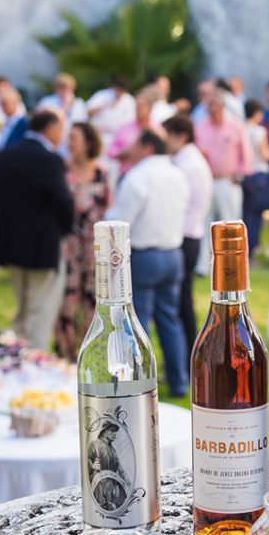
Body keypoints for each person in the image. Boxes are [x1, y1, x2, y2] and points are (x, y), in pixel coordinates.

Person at [105, 130, 190, 397]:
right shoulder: (178, 174)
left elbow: (120, 220)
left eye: (136, 144)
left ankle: (142, 381)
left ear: (147, 147)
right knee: (169, 318)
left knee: (137, 322)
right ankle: (179, 381)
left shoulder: (138, 177)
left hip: (145, 255)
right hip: (172, 253)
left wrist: (105, 215)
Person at [0, 110, 75, 349]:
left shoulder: (5, 154)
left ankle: (18, 353)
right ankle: (33, 358)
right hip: (42, 244)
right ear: (50, 128)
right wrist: (65, 229)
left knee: (23, 306)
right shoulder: (49, 159)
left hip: (11, 242)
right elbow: (64, 200)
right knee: (40, 309)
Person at [54, 122, 112, 359]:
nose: (69, 143)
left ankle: (89, 355)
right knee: (66, 300)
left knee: (93, 299)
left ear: (87, 143)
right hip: (68, 244)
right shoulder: (61, 170)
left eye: (74, 138)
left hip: (94, 246)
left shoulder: (101, 172)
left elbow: (108, 205)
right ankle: (65, 354)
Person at [162, 114, 212, 360]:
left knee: (181, 304)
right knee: (182, 302)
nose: (164, 142)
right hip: (190, 235)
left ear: (180, 136)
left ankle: (187, 359)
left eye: (167, 136)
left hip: (184, 237)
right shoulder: (189, 160)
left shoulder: (186, 165)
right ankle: (187, 359)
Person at [194, 89, 252, 274]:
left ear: (221, 106)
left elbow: (246, 153)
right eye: (208, 105)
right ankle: (203, 266)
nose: (210, 108)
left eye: (213, 104)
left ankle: (231, 264)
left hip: (228, 180)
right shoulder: (200, 126)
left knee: (230, 223)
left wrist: (241, 173)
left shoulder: (235, 126)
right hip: (206, 179)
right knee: (204, 221)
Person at [242, 99, 269, 257]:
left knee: (245, 214)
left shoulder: (241, 129)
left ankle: (245, 249)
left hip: (244, 175)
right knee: (255, 216)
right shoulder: (259, 131)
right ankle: (251, 250)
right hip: (259, 174)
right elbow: (265, 154)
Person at [107, 90, 162, 179]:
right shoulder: (124, 128)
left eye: (141, 107)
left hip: (150, 177)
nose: (137, 110)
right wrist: (123, 153)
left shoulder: (158, 130)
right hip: (127, 174)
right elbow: (111, 151)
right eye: (136, 107)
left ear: (150, 109)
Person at [38, 73, 88, 157]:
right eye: (61, 88)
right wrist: (63, 107)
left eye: (68, 88)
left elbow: (83, 124)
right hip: (52, 143)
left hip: (71, 143)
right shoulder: (47, 102)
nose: (64, 91)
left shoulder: (79, 103)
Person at [87, 76, 136, 150]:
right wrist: (105, 106)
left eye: (122, 90)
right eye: (118, 89)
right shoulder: (102, 95)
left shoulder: (130, 101)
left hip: (119, 139)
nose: (119, 93)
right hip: (99, 135)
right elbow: (88, 111)